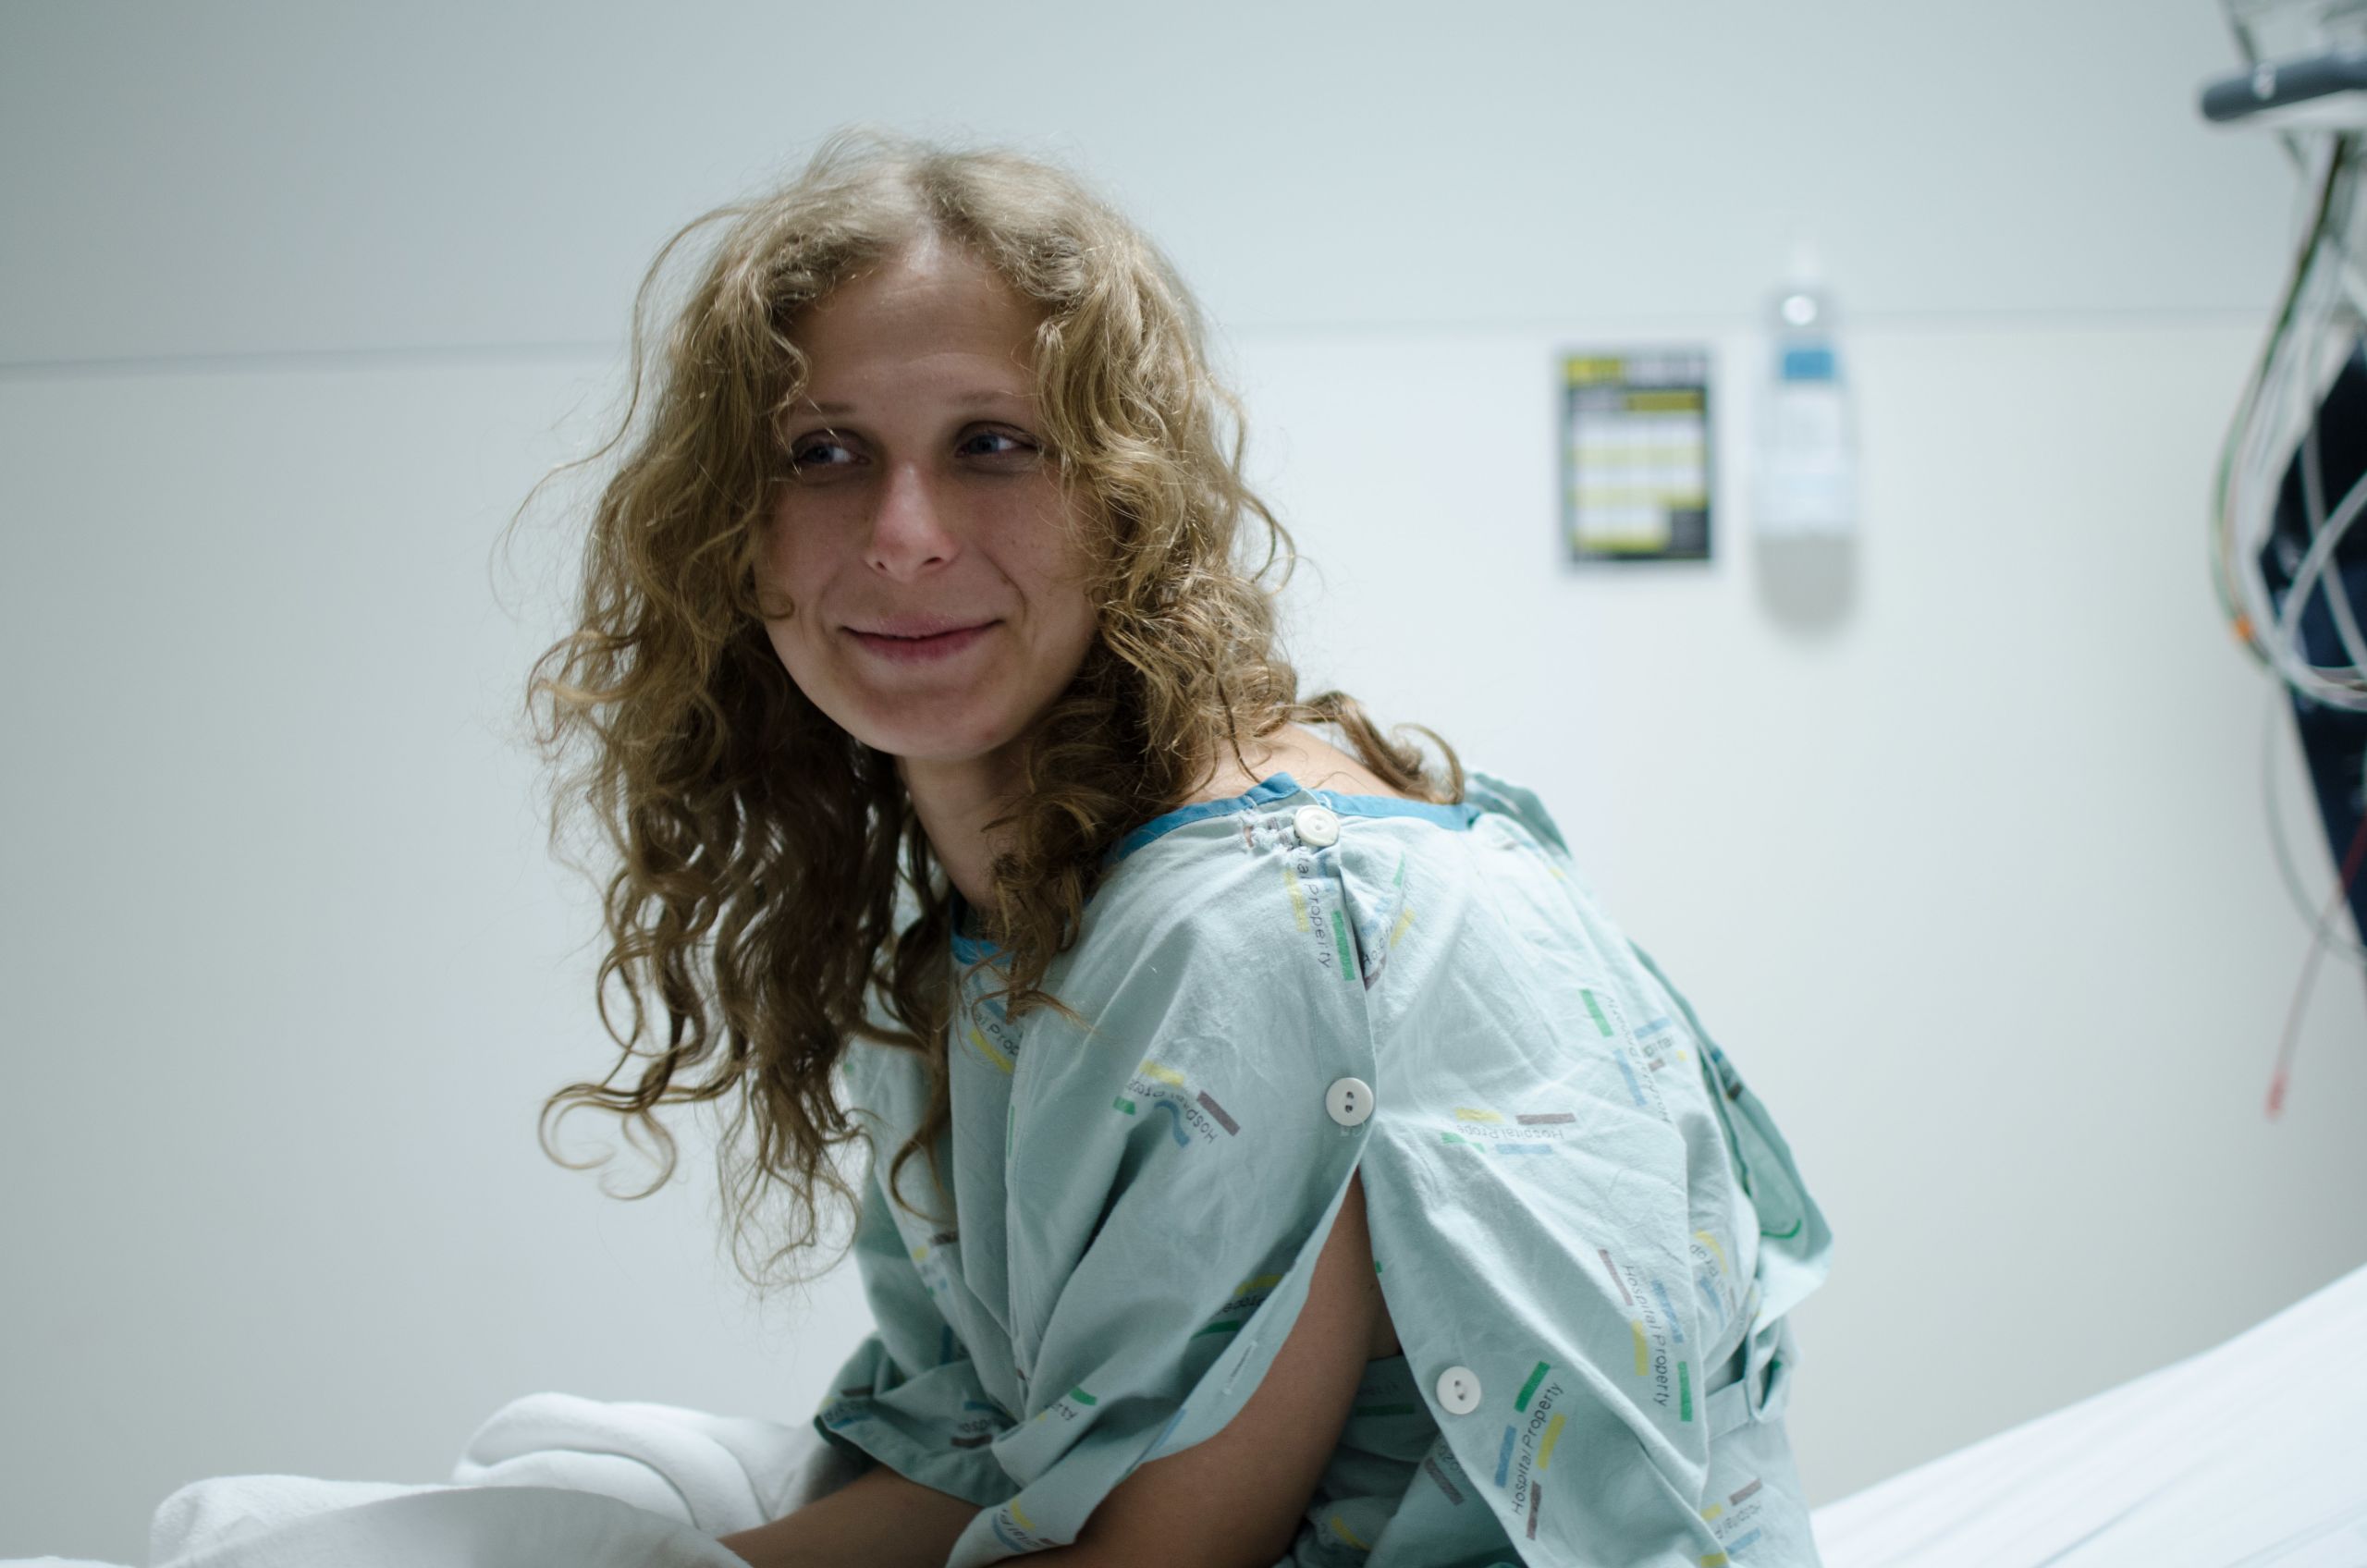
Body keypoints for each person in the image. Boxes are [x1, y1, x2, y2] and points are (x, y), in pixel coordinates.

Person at [525, 128, 1834, 1568]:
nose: (903, 535)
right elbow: (997, 1454)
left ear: (1123, 500)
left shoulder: (1250, 922)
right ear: (733, 532)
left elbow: (1157, 1556)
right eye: (823, 452)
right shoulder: (972, 929)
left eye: (993, 445)